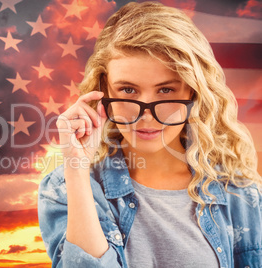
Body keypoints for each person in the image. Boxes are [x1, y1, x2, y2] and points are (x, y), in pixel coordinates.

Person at [38, 2, 262, 267]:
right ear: (103, 90)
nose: (147, 115)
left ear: (193, 92)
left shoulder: (238, 191)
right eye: (128, 90)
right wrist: (76, 168)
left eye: (166, 91)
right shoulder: (64, 188)